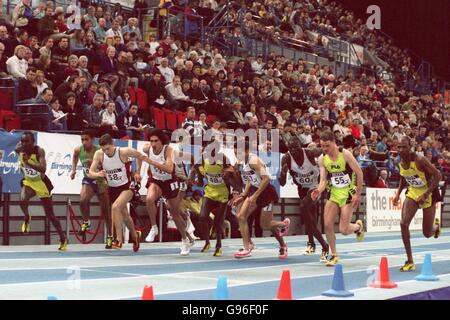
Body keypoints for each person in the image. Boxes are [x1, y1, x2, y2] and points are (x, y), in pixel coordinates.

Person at [311, 131, 365, 267]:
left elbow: (359, 173)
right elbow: (323, 180)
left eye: (327, 146)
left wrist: (358, 194)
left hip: (348, 192)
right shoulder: (322, 159)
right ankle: (334, 254)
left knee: (344, 230)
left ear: (334, 143)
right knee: (327, 224)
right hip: (334, 193)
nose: (324, 149)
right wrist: (319, 189)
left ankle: (358, 226)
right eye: (322, 146)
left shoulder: (345, 154)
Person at [88, 134, 149, 251]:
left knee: (115, 208)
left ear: (113, 145)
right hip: (112, 188)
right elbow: (90, 172)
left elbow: (140, 156)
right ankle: (135, 235)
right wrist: (98, 174)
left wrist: (137, 172)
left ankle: (119, 240)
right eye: (104, 149)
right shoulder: (99, 154)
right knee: (125, 215)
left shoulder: (123, 152)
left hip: (127, 187)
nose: (106, 152)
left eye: (108, 149)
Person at [136, 129, 192, 256]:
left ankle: (185, 239)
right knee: (149, 199)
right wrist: (138, 171)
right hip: (156, 181)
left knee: (175, 213)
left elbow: (168, 169)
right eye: (151, 141)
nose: (153, 144)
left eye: (156, 141)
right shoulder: (147, 148)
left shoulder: (169, 151)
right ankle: (154, 227)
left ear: (162, 141)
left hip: (169, 182)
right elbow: (138, 156)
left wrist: (151, 162)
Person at [232, 140, 290, 259]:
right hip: (255, 191)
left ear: (247, 151)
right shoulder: (244, 162)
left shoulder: (254, 161)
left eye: (239, 152)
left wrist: (255, 196)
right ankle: (247, 247)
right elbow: (249, 179)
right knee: (241, 216)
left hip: (266, 193)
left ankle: (283, 232)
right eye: (235, 152)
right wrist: (243, 195)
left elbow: (266, 179)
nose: (237, 155)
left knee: (266, 224)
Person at [393, 136, 442, 272]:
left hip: (428, 193)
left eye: (404, 147)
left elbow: (438, 175)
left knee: (427, 233)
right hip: (413, 193)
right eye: (399, 147)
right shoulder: (398, 161)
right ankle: (410, 261)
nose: (401, 150)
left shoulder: (420, 160)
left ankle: (435, 227)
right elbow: (404, 177)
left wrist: (425, 194)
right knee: (403, 223)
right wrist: (398, 193)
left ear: (410, 147)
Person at [16, 131, 67, 251]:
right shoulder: (20, 149)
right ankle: (27, 217)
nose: (24, 143)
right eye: (22, 141)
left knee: (50, 215)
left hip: (42, 183)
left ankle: (63, 238)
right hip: (29, 182)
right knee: (23, 200)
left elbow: (43, 169)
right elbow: (16, 148)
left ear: (33, 142)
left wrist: (28, 161)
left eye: (27, 141)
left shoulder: (39, 151)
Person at [279, 139, 329, 261]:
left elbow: (326, 153)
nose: (293, 151)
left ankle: (311, 243)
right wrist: (283, 173)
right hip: (302, 189)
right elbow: (282, 183)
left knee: (303, 207)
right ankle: (324, 246)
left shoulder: (311, 153)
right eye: (290, 149)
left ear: (301, 146)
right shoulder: (286, 158)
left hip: (315, 187)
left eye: (295, 148)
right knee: (310, 220)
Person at [189, 139, 238, 257]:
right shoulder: (201, 160)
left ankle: (219, 246)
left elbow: (235, 181)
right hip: (210, 192)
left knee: (218, 221)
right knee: (202, 216)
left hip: (223, 193)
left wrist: (232, 173)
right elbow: (199, 181)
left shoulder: (224, 159)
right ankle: (207, 242)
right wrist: (193, 177)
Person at [70, 131, 113, 249]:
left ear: (92, 139)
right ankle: (86, 222)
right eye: (82, 139)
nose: (84, 142)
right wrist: (73, 170)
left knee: (106, 212)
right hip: (89, 179)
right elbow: (74, 157)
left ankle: (110, 236)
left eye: (86, 139)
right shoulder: (79, 150)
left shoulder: (100, 151)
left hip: (101, 181)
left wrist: (99, 169)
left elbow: (110, 164)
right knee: (82, 200)